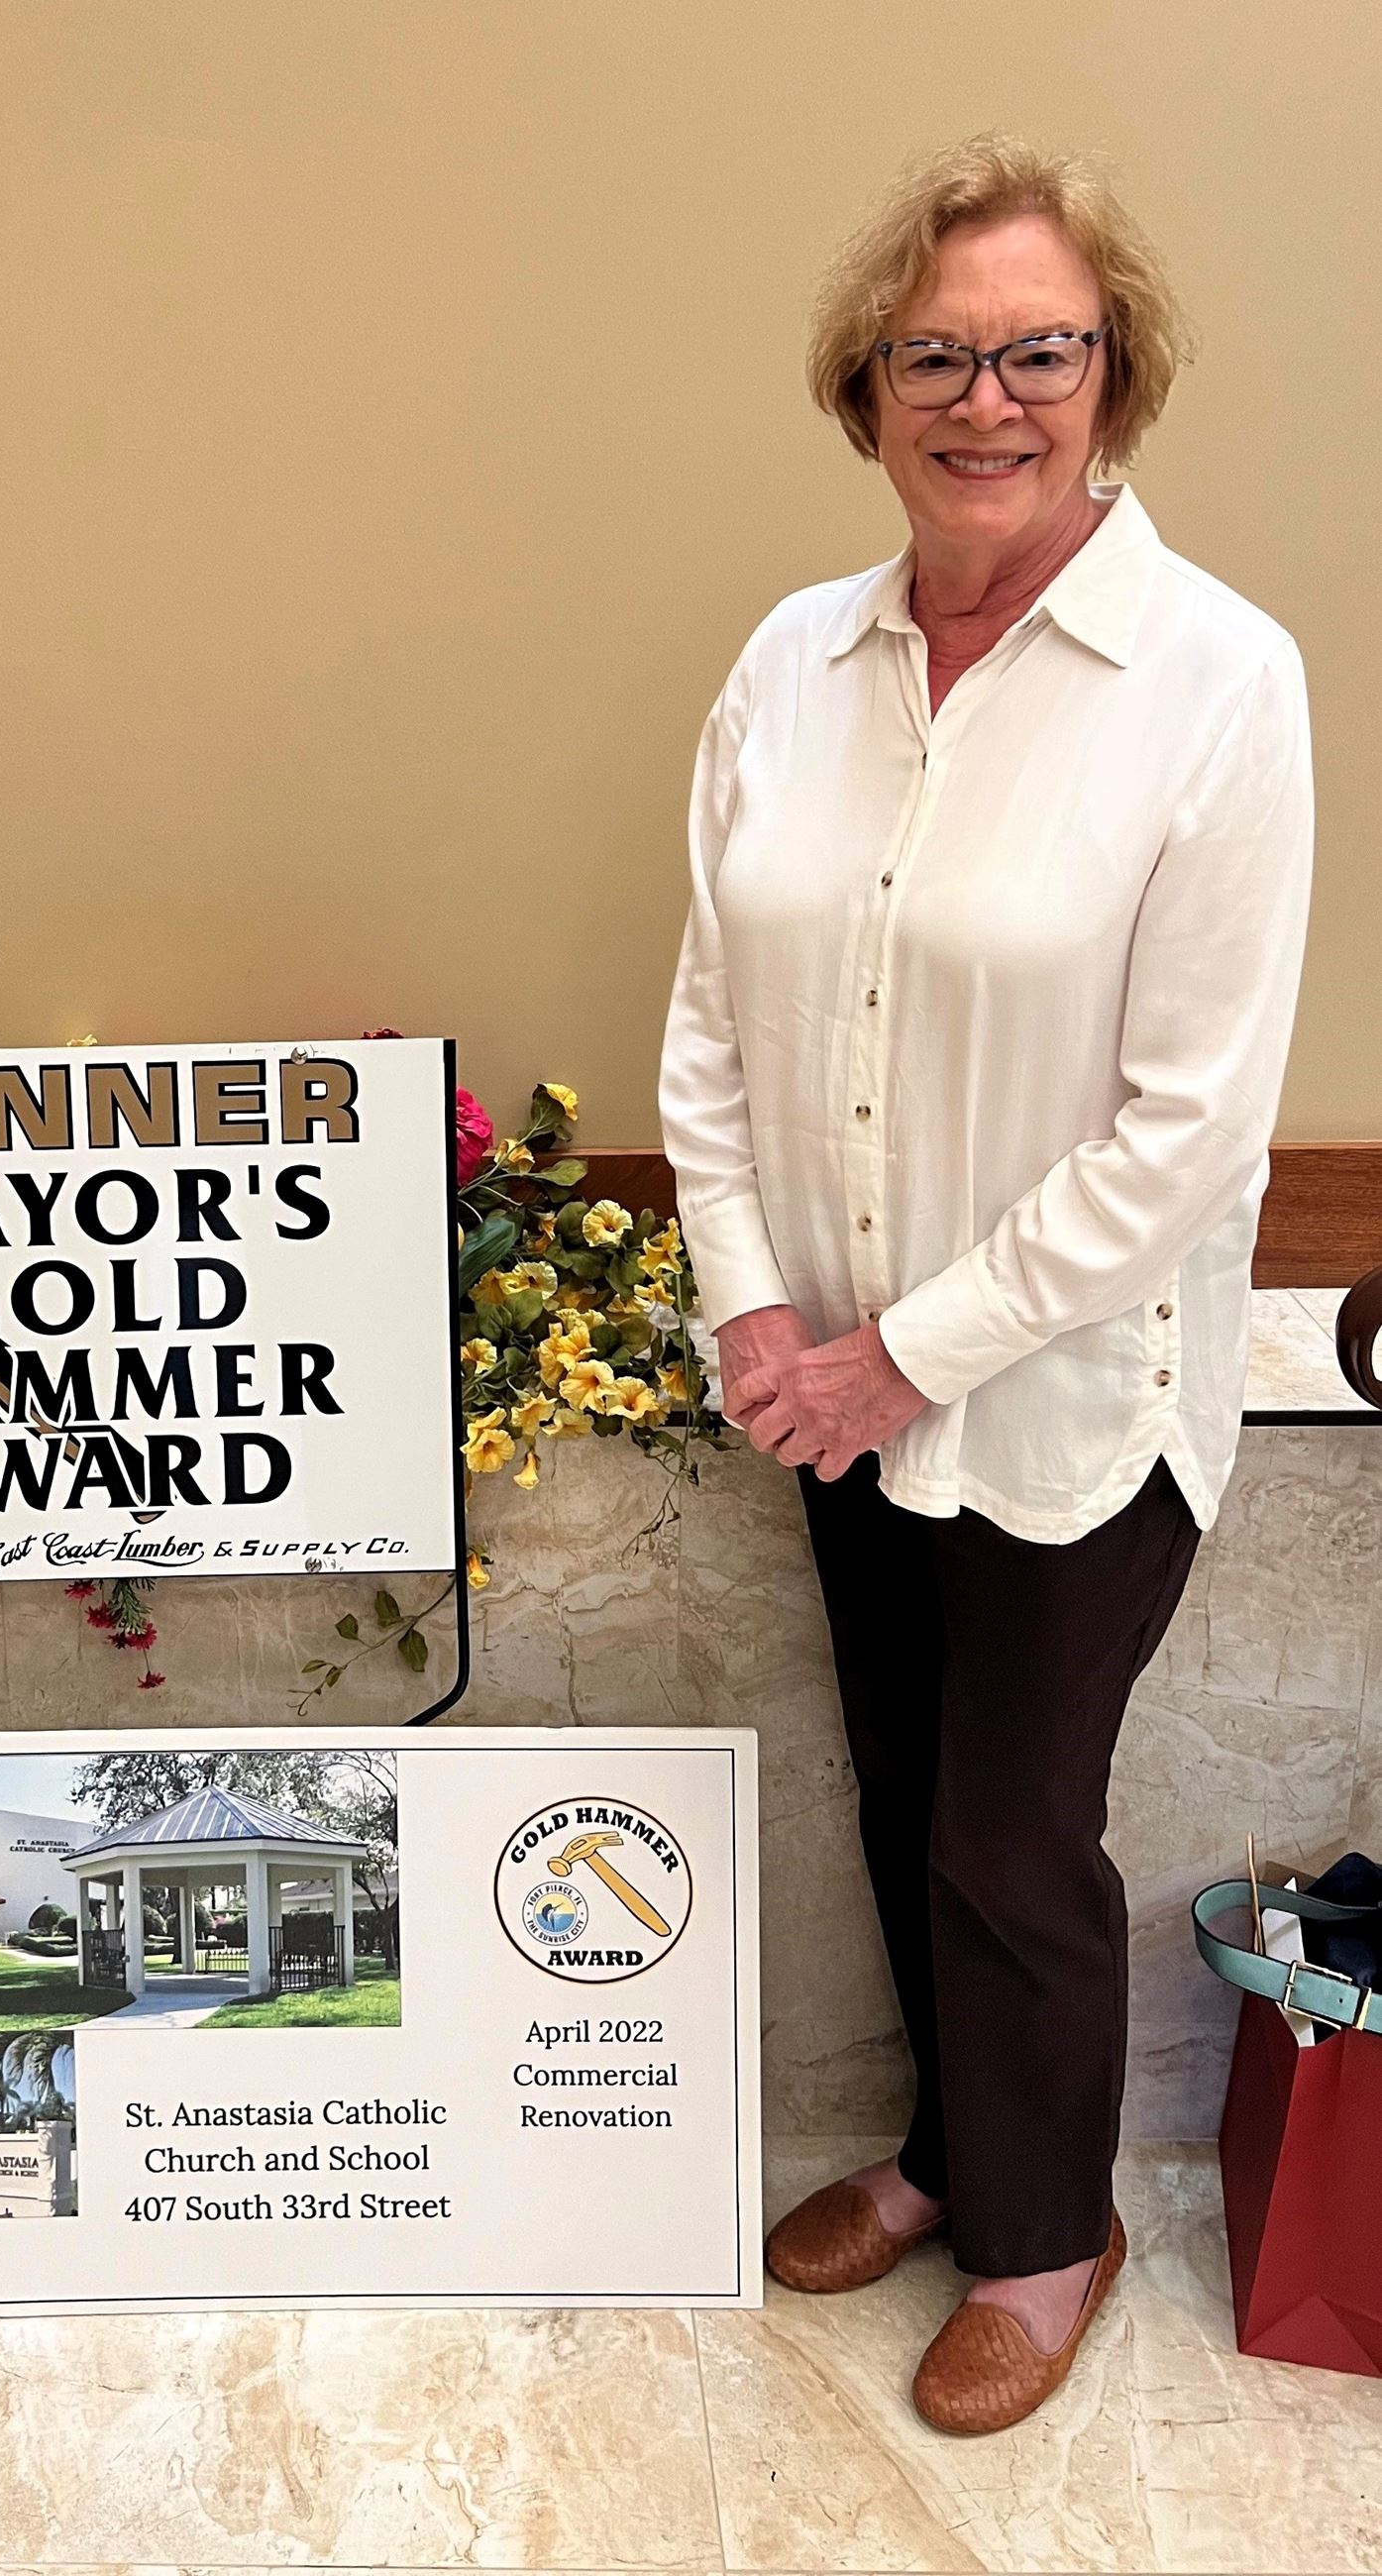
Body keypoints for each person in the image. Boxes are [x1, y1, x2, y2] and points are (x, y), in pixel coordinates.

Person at [659, 134, 1312, 2435]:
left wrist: (894, 1362)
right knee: (902, 1785)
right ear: (867, 392)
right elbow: (714, 1020)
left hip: (1064, 1396)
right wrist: (754, 1306)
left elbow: (1188, 1130)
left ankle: (1050, 2233)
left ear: (1115, 379)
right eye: (935, 356)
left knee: (1010, 1832)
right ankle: (953, 2154)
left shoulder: (1216, 680)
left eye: (1042, 351)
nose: (987, 398)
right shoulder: (792, 662)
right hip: (819, 1378)